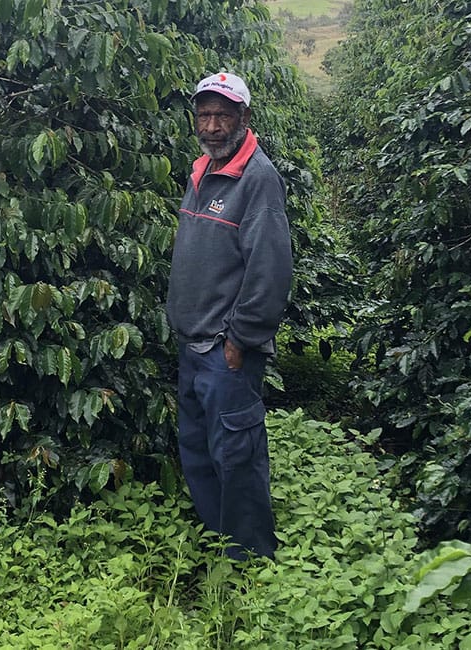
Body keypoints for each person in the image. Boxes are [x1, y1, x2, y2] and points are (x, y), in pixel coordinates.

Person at [166, 72, 293, 560]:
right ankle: (220, 540)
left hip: (226, 351)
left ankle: (251, 558)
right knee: (198, 451)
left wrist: (241, 339)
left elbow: (270, 269)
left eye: (223, 115)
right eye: (204, 115)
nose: (212, 125)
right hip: (192, 345)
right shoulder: (201, 170)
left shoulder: (257, 178)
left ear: (244, 118)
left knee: (236, 458)